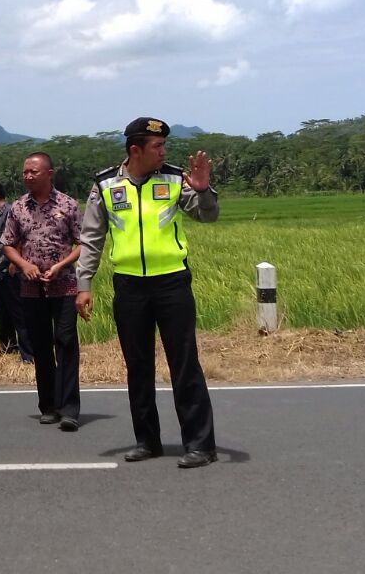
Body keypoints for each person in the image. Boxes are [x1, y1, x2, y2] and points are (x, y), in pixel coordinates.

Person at [75, 117, 220, 468]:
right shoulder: (106, 184)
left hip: (172, 283)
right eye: (158, 147)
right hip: (129, 286)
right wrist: (84, 284)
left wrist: (202, 190)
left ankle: (200, 445)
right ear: (135, 149)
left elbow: (208, 216)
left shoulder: (174, 178)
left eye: (164, 146)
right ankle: (147, 441)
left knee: (184, 363)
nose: (164, 152)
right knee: (137, 366)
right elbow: (91, 238)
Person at [0, 153, 82, 432]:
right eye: (24, 172)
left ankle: (69, 409)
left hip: (65, 286)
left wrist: (61, 265)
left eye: (33, 171)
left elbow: (83, 243)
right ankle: (48, 406)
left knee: (66, 342)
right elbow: (8, 244)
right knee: (41, 346)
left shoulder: (68, 205)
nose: (27, 176)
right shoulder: (18, 208)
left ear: (49, 173)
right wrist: (23, 265)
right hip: (31, 288)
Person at [0, 181, 32, 362]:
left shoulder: (10, 212)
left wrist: (14, 262)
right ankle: (8, 346)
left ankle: (28, 353)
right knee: (3, 312)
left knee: (18, 312)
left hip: (8, 272)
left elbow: (20, 236)